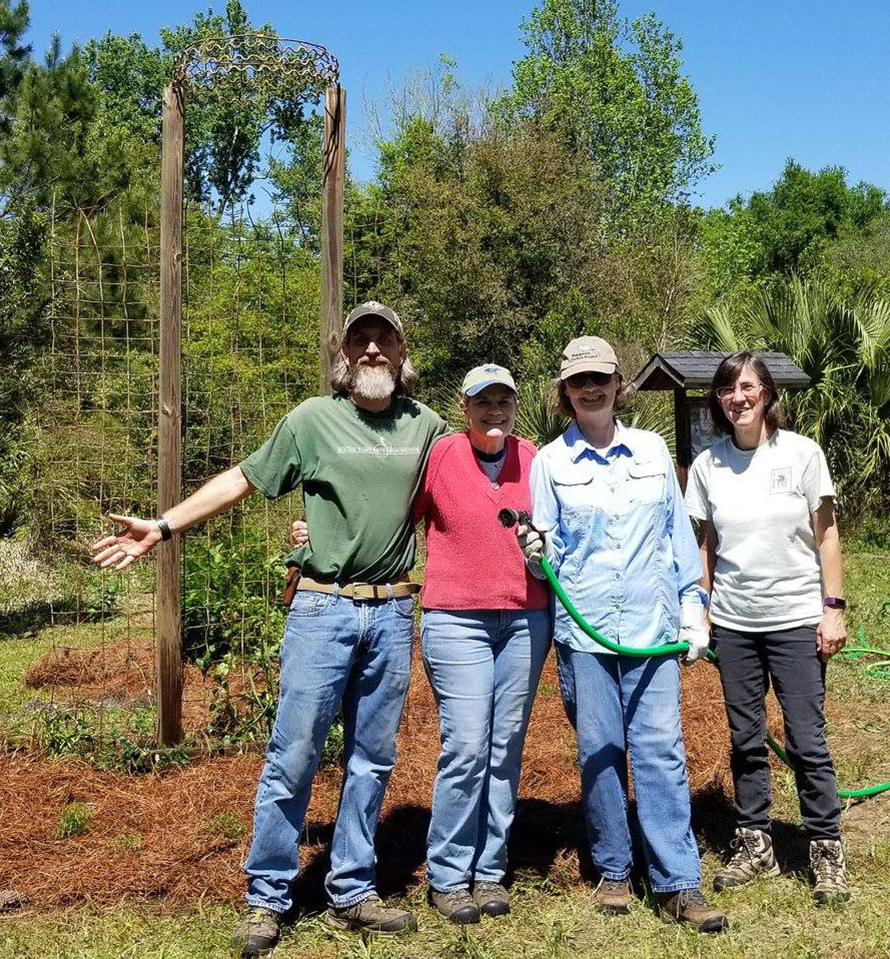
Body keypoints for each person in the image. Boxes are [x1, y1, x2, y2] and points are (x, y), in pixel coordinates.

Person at [91, 302, 446, 956]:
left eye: (384, 339)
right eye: (360, 340)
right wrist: (162, 527)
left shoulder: (427, 428)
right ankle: (267, 896)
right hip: (322, 608)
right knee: (294, 755)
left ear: (402, 352)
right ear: (345, 357)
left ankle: (353, 889)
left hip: (393, 611)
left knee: (371, 760)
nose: (372, 350)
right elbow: (243, 479)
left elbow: (473, 484)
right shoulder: (311, 420)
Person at [292, 363, 551, 925]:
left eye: (504, 401)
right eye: (483, 401)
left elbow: (563, 529)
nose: (494, 411)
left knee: (505, 745)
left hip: (525, 618)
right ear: (464, 408)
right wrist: (319, 529)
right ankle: (450, 874)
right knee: (466, 747)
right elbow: (383, 513)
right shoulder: (440, 456)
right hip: (457, 619)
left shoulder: (536, 461)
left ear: (515, 406)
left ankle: (490, 868)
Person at [519, 336, 728, 933]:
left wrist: (695, 609)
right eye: (579, 381)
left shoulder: (653, 450)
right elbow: (546, 558)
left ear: (618, 384)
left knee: (660, 750)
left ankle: (677, 881)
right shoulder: (550, 463)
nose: (591, 388)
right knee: (600, 751)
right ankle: (613, 868)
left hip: (651, 628)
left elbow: (675, 536)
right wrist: (533, 552)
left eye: (601, 378)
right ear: (565, 392)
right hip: (584, 633)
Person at [684, 351, 850, 906]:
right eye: (728, 389)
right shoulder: (707, 465)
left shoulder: (802, 454)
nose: (739, 397)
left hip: (797, 620)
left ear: (768, 394)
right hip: (735, 624)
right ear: (719, 401)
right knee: (745, 739)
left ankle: (825, 845)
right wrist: (701, 612)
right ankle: (755, 842)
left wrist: (833, 607)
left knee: (806, 738)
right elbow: (704, 546)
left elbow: (827, 536)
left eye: (748, 387)